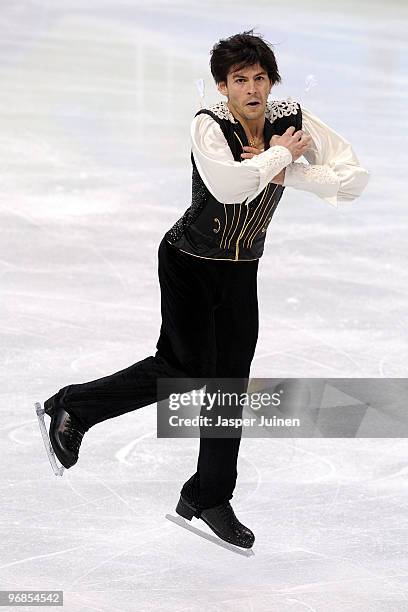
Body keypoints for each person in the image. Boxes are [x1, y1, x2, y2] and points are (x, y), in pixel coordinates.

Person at [39, 29, 370, 549]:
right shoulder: (209, 125)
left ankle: (208, 495)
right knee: (185, 369)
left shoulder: (293, 119)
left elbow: (353, 178)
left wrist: (293, 172)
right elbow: (228, 186)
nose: (253, 88)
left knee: (228, 388)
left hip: (242, 270)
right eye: (241, 80)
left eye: (260, 77)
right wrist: (279, 157)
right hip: (188, 262)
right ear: (223, 86)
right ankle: (74, 407)